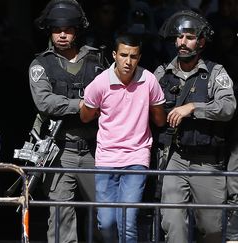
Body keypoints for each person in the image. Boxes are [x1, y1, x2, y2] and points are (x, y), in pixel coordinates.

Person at [154, 10, 236, 243]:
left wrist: (192, 107)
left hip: (208, 162)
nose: (182, 42)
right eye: (179, 37)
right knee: (172, 222)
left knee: (212, 228)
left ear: (201, 41)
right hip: (174, 158)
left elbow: (227, 107)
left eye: (189, 37)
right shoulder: (162, 73)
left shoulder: (215, 72)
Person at [29, 0, 106, 242]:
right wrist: (83, 106)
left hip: (96, 149)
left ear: (77, 31)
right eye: (57, 30)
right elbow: (44, 102)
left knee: (105, 218)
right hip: (61, 151)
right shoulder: (41, 64)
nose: (62, 35)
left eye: (68, 29)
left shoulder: (97, 61)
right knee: (61, 220)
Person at [80, 33, 166, 243]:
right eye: (124, 55)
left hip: (137, 157)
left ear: (139, 57)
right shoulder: (100, 83)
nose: (128, 62)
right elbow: (85, 116)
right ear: (114, 55)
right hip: (106, 159)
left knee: (127, 221)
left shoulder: (149, 80)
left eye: (134, 56)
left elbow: (160, 119)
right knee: (106, 223)